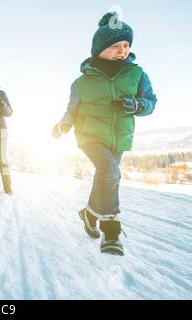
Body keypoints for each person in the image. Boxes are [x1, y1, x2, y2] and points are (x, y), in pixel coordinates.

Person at [52, 12, 157, 255]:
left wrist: (138, 105)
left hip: (120, 136)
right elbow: (71, 110)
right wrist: (63, 125)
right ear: (99, 48)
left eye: (126, 45)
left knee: (105, 176)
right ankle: (111, 231)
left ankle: (88, 214)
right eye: (116, 46)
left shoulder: (137, 74)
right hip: (89, 134)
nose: (123, 50)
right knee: (110, 171)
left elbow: (151, 101)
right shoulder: (81, 82)